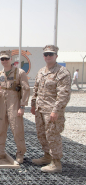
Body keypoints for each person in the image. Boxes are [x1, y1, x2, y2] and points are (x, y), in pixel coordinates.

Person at [31, 45, 71, 173]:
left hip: (52, 111)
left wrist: (56, 111)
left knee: (52, 135)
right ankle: (47, 156)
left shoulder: (62, 72)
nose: (48, 56)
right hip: (40, 109)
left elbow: (64, 94)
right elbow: (36, 89)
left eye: (51, 54)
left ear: (56, 56)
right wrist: (33, 104)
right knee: (42, 134)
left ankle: (56, 162)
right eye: (46, 54)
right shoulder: (41, 71)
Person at [0, 50, 30, 163]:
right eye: (2, 59)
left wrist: (22, 106)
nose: (4, 61)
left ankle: (20, 153)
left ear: (11, 59)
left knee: (17, 129)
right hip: (2, 103)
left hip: (14, 103)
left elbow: (26, 89)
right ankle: (0, 151)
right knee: (1, 128)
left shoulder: (20, 73)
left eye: (6, 59)